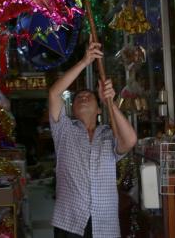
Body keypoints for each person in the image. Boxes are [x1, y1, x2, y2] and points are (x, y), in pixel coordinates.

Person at [48, 40, 138, 238]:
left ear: (99, 109)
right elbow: (54, 94)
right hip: (69, 223)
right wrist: (84, 61)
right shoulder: (64, 131)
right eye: (79, 97)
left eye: (89, 96)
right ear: (72, 109)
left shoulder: (108, 135)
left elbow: (130, 140)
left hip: (104, 225)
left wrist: (110, 103)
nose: (83, 97)